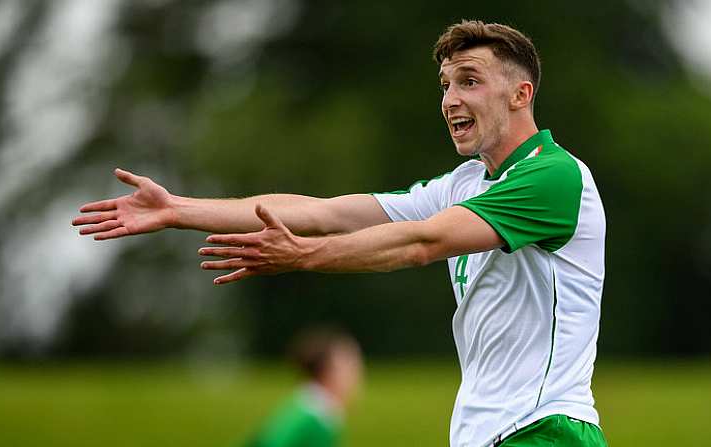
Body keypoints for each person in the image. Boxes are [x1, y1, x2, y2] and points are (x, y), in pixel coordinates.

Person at [73, 20, 607, 447]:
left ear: (521, 94)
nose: (448, 98)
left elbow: (425, 242)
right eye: (445, 85)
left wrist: (304, 255)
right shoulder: (465, 183)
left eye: (469, 80)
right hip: (488, 433)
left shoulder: (552, 176)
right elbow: (323, 211)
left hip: (545, 430)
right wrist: (177, 208)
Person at [241, 328, 362, 447]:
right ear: (328, 371)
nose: (358, 374)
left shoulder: (321, 413)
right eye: (350, 366)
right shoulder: (309, 417)